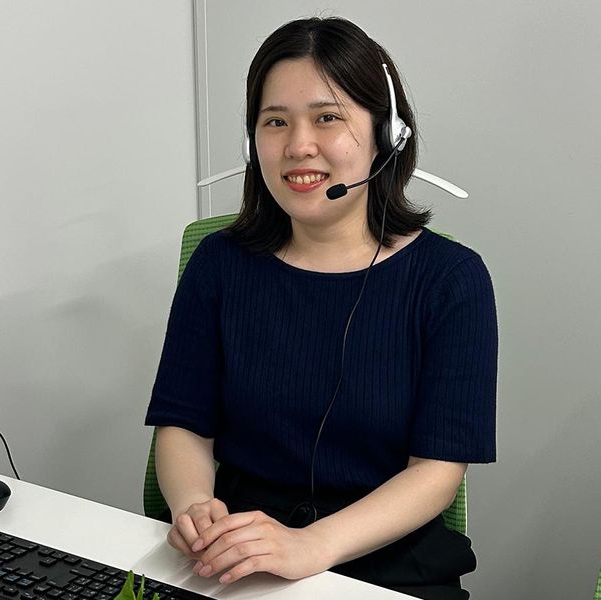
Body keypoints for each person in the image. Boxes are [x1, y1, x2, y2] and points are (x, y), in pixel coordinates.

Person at [145, 16, 497, 600]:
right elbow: (184, 425)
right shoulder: (219, 264)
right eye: (275, 121)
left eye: (327, 118)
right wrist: (196, 508)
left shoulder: (450, 280)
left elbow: (437, 472)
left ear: (387, 134)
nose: (297, 145)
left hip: (385, 563)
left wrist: (311, 546)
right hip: (237, 555)